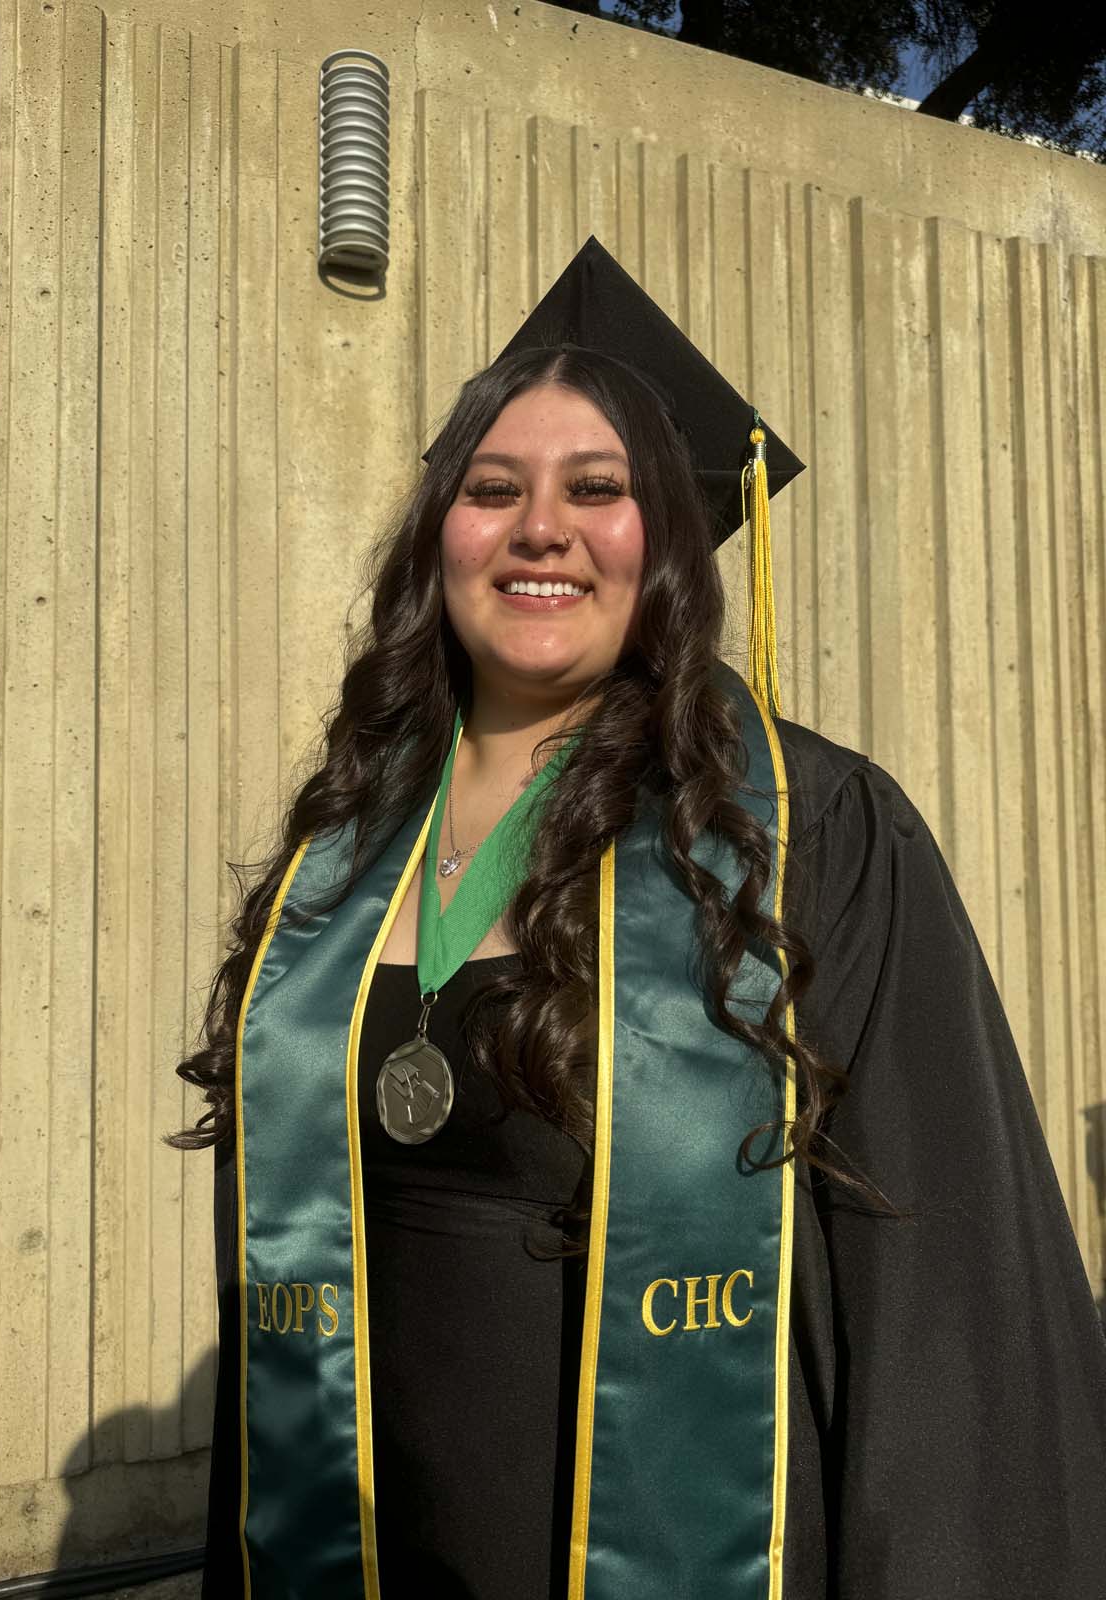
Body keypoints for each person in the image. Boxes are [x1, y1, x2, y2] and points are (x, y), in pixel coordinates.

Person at [175, 238, 1106, 1599]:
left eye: (597, 488)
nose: (540, 527)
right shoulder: (348, 846)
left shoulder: (801, 832)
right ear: (440, 537)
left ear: (665, 538)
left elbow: (944, 1310)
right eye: (494, 488)